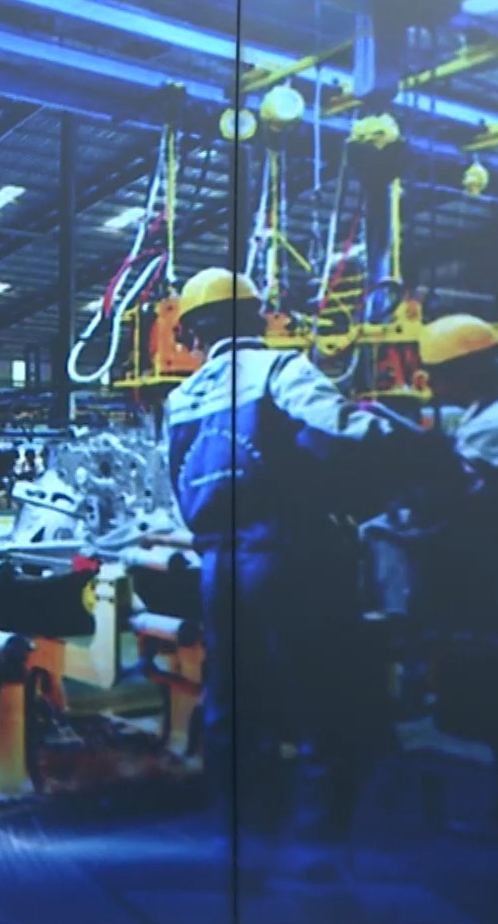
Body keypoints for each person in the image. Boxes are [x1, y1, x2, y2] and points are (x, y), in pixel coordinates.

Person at [163, 268, 414, 881]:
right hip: (289, 559)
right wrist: (411, 447)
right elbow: (345, 428)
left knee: (233, 709)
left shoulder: (180, 400)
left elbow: (178, 486)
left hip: (218, 570)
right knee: (321, 700)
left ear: (191, 333)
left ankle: (240, 845)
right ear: (259, 319)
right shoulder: (280, 369)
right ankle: (316, 850)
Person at [395, 314, 498, 832]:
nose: (430, 385)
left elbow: (460, 498)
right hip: (494, 579)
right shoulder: (483, 413)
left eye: (436, 374)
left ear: (464, 373)